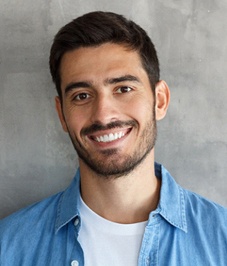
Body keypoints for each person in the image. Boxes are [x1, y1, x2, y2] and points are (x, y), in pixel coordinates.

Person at [0, 11, 226, 266]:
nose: (103, 115)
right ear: (62, 114)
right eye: (82, 96)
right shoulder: (9, 246)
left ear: (159, 100)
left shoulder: (221, 239)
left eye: (124, 89)